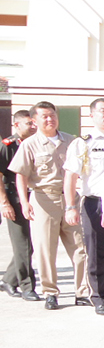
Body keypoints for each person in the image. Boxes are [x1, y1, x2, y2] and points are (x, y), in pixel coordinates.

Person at [7, 101, 87, 310]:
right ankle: (50, 292)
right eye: (44, 116)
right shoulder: (29, 144)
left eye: (52, 115)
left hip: (71, 200)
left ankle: (83, 292)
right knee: (46, 250)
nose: (50, 119)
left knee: (80, 247)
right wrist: (24, 202)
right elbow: (21, 176)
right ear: (35, 120)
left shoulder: (72, 142)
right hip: (43, 199)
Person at [64, 98, 104, 316]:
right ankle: (99, 298)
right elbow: (70, 176)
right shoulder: (82, 143)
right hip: (94, 203)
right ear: (92, 115)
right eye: (103, 111)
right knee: (96, 252)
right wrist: (70, 206)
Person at [1, 108, 39, 300]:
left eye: (34, 123)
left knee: (29, 245)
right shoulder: (8, 145)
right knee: (22, 243)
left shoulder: (35, 143)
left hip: (34, 198)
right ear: (16, 125)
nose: (33, 126)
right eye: (28, 123)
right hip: (15, 199)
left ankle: (9, 279)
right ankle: (27, 287)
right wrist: (4, 203)